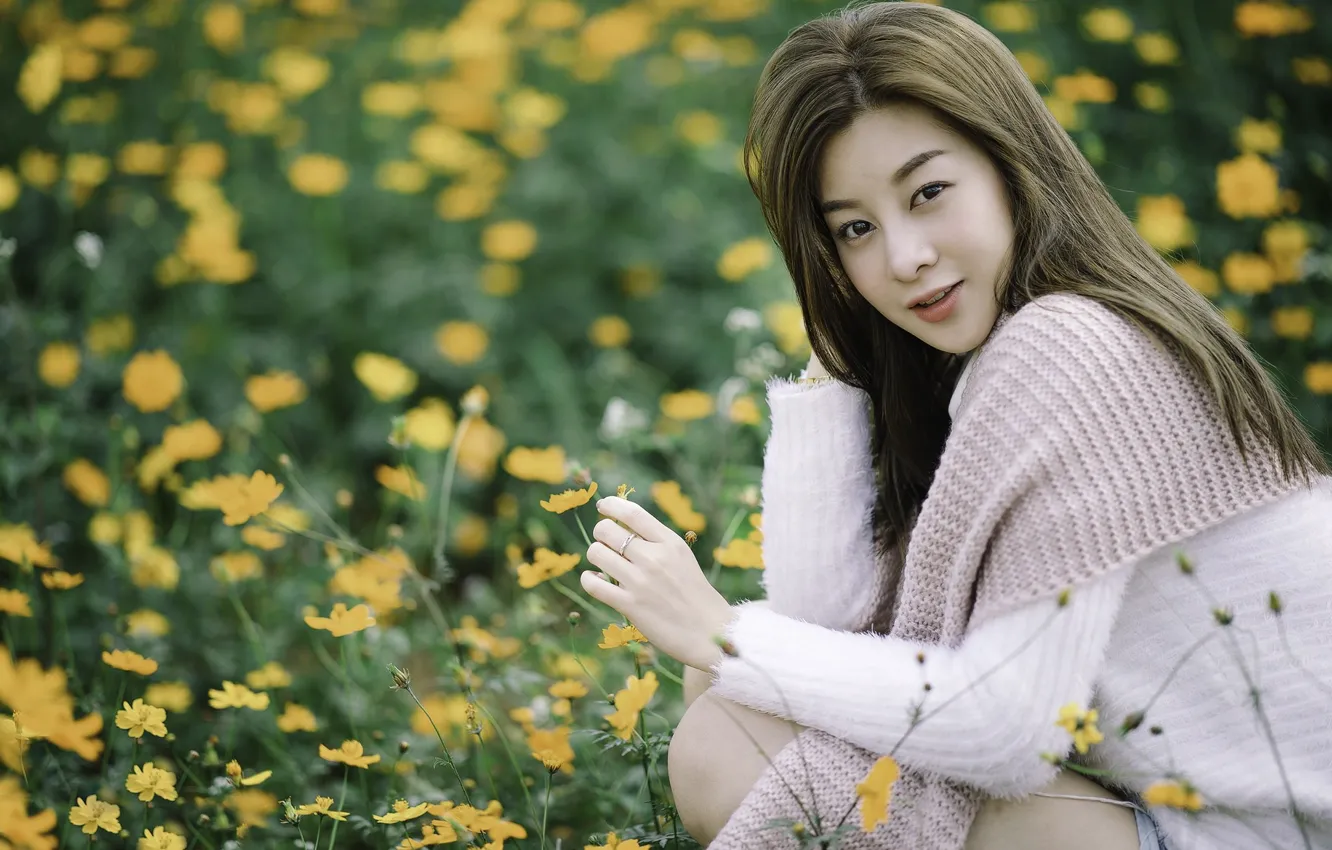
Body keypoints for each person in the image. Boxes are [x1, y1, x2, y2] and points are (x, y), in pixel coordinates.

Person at [653, 2, 1332, 849]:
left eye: (929, 193)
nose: (904, 258)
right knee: (735, 690)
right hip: (1183, 813)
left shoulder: (1070, 345)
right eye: (855, 229)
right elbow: (823, 625)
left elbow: (1008, 731)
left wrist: (726, 634)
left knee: (730, 726)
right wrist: (833, 366)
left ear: (1012, 165)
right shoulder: (1004, 352)